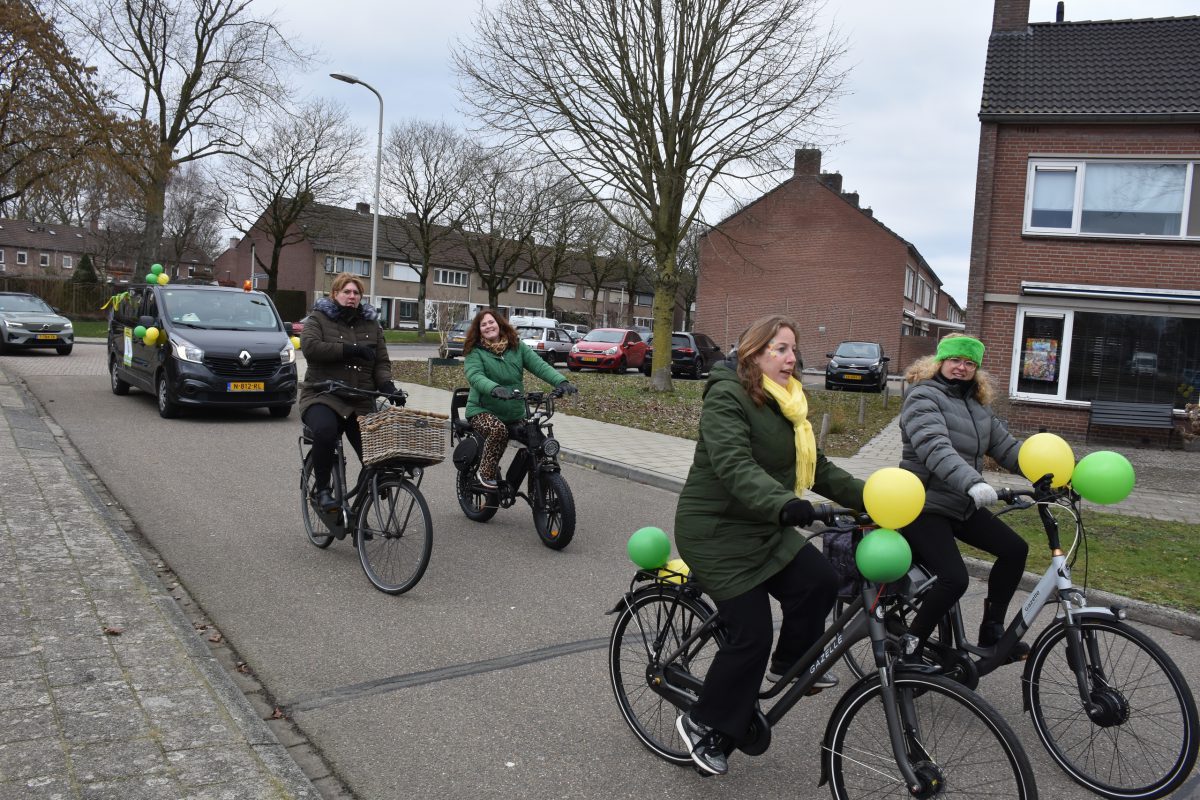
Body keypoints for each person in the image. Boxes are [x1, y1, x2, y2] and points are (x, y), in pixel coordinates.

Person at [673, 315, 865, 776]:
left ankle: (789, 663)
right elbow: (733, 464)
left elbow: (818, 468)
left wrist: (873, 497)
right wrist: (785, 504)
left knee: (820, 581)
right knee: (752, 634)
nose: (791, 358)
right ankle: (704, 723)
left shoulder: (788, 403)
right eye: (780, 348)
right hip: (716, 531)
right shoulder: (726, 395)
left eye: (793, 349)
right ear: (753, 353)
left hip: (763, 523)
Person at [897, 333, 1029, 667]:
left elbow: (1007, 448)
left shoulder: (977, 405)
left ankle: (992, 631)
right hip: (922, 505)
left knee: (1015, 550)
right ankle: (910, 649)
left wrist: (1050, 473)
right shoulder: (922, 396)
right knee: (954, 579)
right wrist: (972, 482)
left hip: (959, 503)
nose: (962, 367)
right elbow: (934, 446)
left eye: (970, 363)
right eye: (955, 360)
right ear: (939, 362)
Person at [298, 273, 401, 512]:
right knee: (325, 431)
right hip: (323, 395)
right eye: (347, 292)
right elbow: (310, 347)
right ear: (335, 294)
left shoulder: (372, 325)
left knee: (377, 456)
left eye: (356, 293)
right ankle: (323, 490)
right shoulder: (318, 318)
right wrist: (349, 350)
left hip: (359, 400)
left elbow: (381, 362)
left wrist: (387, 386)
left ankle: (357, 513)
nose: (352, 296)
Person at [463, 308, 577, 489]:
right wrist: (494, 388)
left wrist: (561, 381)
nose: (488, 326)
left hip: (514, 412)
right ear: (479, 330)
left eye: (491, 322)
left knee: (538, 443)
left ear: (499, 324)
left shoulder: (516, 346)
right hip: (482, 410)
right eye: (483, 324)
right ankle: (486, 472)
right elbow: (475, 376)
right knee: (498, 430)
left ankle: (538, 490)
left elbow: (539, 366)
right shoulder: (475, 351)